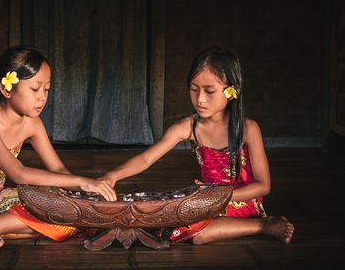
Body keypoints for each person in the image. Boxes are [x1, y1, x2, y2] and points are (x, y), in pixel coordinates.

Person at [99, 47, 294, 245]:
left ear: (231, 91)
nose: (200, 99)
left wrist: (218, 196)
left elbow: (263, 186)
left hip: (240, 201)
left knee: (197, 234)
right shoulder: (189, 127)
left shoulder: (248, 129)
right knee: (168, 220)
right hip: (206, 203)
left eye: (209, 91)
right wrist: (112, 176)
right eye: (194, 89)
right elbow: (146, 158)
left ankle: (263, 225)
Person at [0, 45, 116, 258]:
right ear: (7, 89)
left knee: (72, 211)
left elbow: (58, 169)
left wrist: (82, 192)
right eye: (35, 89)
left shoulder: (33, 123)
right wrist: (82, 181)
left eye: (46, 89)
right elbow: (18, 174)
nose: (42, 98)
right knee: (56, 210)